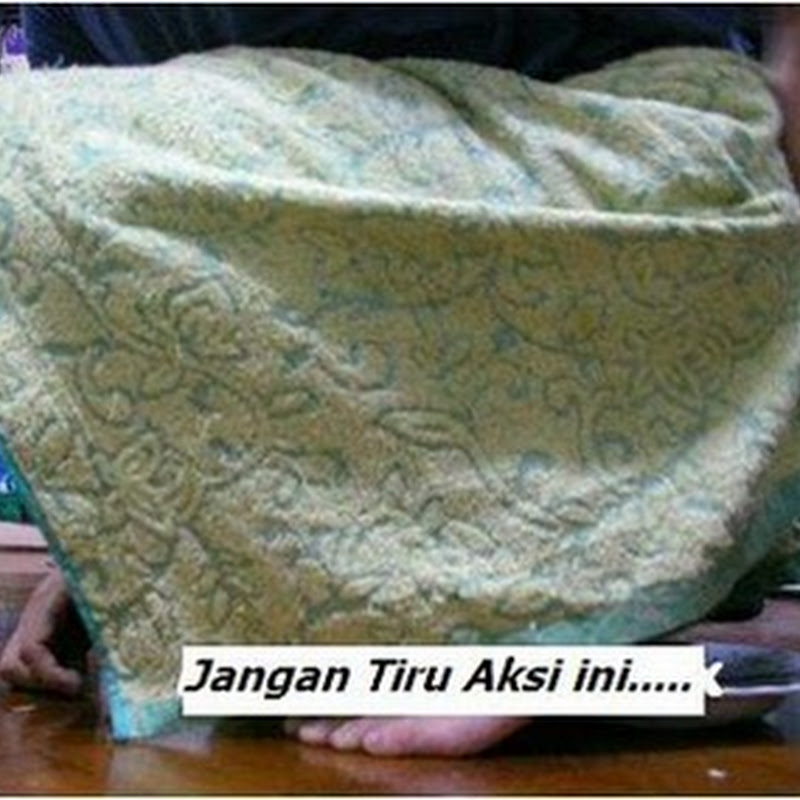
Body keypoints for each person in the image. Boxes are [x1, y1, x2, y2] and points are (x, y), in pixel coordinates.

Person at [1, 5, 798, 758]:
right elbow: (114, 234)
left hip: (625, 173)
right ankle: (460, 604)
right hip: (361, 221)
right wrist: (112, 535)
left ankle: (544, 607)